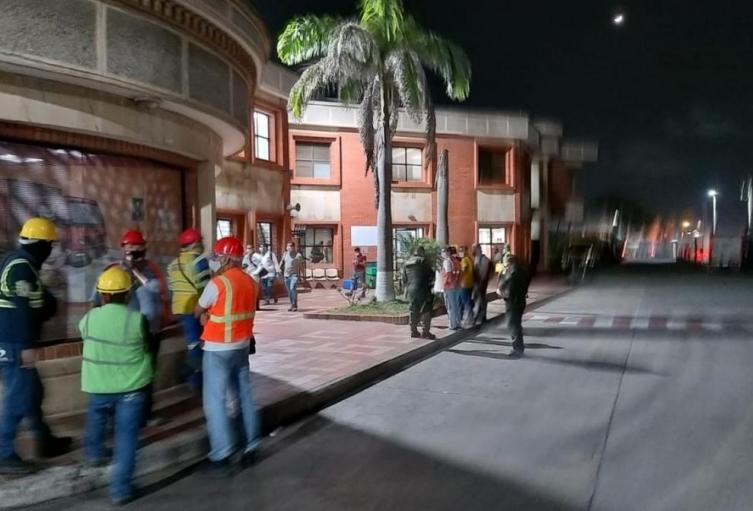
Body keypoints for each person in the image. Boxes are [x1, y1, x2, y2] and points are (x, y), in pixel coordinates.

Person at [0, 218, 71, 474]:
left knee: (32, 393)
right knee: (18, 397)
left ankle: (45, 441)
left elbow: (38, 300)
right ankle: (3, 454)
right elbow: (21, 308)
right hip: (14, 343)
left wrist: (47, 303)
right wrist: (26, 346)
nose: (51, 251)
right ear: (41, 245)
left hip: (13, 341)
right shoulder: (21, 267)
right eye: (49, 245)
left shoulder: (23, 264)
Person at [80, 266, 153, 505]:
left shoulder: (89, 318)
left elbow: (83, 333)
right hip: (131, 388)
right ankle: (121, 490)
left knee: (96, 418)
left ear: (102, 295)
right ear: (129, 294)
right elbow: (147, 345)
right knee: (126, 436)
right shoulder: (137, 320)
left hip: (98, 384)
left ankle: (94, 453)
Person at [195, 236, 260, 475]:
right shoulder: (251, 282)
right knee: (244, 397)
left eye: (217, 256)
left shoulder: (218, 283)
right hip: (241, 347)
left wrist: (204, 315)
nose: (215, 260)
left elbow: (197, 310)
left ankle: (222, 453)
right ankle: (251, 445)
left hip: (217, 349)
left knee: (216, 401)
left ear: (225, 258)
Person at [94, 230, 166, 426]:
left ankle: (144, 414)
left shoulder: (151, 269)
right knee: (123, 374)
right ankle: (116, 413)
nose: (133, 252)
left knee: (146, 374)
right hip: (124, 332)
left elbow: (157, 289)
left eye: (137, 248)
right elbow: (98, 297)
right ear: (123, 249)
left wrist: (135, 272)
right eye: (129, 248)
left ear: (144, 248)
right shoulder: (114, 270)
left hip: (150, 331)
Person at [167, 228, 210, 391]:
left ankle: (193, 376)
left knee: (193, 343)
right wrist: (205, 309)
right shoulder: (198, 260)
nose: (202, 244)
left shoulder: (173, 264)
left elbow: (172, 287)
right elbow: (205, 287)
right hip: (195, 307)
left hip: (179, 308)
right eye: (200, 241)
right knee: (197, 345)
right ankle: (194, 379)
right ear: (195, 244)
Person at [498, 254, 530, 358]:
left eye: (506, 264)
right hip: (521, 301)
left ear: (510, 263)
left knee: (513, 325)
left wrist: (500, 293)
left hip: (513, 303)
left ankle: (518, 349)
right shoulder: (522, 271)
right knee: (517, 324)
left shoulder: (512, 275)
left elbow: (509, 292)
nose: (506, 267)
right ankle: (519, 348)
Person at [402, 246, 435, 340]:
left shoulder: (406, 263)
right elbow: (431, 275)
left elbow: (404, 278)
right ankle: (425, 332)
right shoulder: (423, 261)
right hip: (423, 288)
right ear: (421, 252)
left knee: (413, 309)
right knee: (426, 309)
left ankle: (413, 331)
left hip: (411, 290)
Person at [440, 246, 461, 330]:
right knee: (455, 305)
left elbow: (448, 274)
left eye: (443, 252)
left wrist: (446, 284)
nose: (442, 254)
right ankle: (457, 322)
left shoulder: (446, 262)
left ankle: (452, 324)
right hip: (455, 285)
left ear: (447, 252)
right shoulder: (454, 260)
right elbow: (458, 272)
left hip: (449, 286)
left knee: (450, 306)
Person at [471, 243, 492, 326]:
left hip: (480, 283)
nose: (472, 250)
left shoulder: (484, 259)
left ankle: (480, 317)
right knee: (479, 299)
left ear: (478, 249)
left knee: (480, 300)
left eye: (474, 248)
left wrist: (481, 282)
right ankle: (480, 317)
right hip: (478, 283)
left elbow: (484, 272)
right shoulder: (477, 258)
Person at [280, 242, 303, 312]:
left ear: (293, 247)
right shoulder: (285, 254)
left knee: (292, 288)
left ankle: (295, 305)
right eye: (287, 246)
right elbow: (282, 262)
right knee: (289, 292)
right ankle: (292, 304)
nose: (288, 247)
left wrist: (302, 275)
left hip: (294, 275)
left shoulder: (298, 255)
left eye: (290, 246)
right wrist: (279, 268)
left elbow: (301, 265)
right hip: (286, 276)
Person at [458, 245, 476, 327]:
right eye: (460, 251)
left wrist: (459, 278)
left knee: (466, 302)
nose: (460, 252)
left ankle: (468, 320)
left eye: (462, 250)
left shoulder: (464, 260)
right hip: (470, 284)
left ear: (466, 251)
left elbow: (463, 270)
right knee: (468, 301)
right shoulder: (470, 259)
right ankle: (471, 319)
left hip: (464, 284)